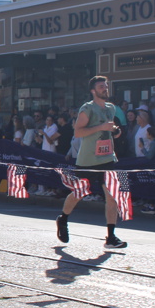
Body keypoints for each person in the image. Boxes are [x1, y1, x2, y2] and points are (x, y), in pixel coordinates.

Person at [56, 76, 128, 250]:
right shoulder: (87, 108)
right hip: (88, 160)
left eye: (106, 86)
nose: (105, 88)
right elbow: (78, 132)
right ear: (93, 91)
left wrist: (115, 131)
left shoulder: (111, 108)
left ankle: (111, 237)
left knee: (112, 197)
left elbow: (110, 127)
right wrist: (100, 128)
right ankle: (63, 219)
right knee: (79, 193)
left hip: (107, 158)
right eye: (101, 86)